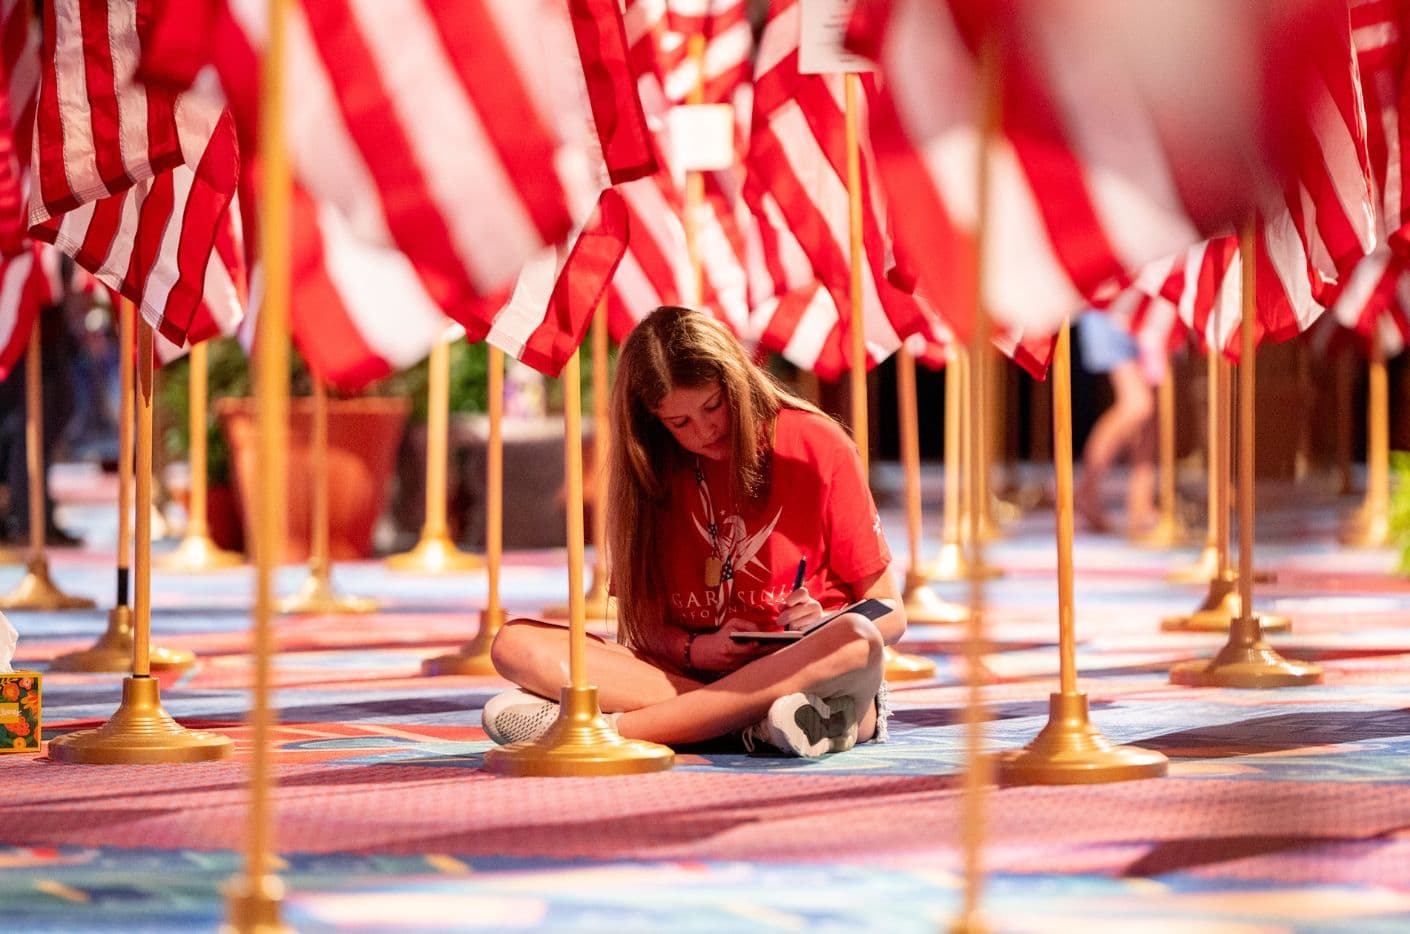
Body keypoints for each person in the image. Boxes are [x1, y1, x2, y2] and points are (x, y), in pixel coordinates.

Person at [483, 306, 906, 757]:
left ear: (736, 382)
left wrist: (822, 622)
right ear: (652, 422)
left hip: (804, 662)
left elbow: (890, 615)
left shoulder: (818, 443)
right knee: (514, 643)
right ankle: (761, 723)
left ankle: (610, 729)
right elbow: (642, 627)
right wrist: (699, 650)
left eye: (713, 406)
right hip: (693, 674)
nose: (704, 431)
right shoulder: (651, 469)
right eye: (679, 423)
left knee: (856, 638)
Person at [1073, 310, 1157, 535]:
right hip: (1111, 306)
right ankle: (1087, 488)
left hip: (1146, 301)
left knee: (1150, 413)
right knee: (1138, 403)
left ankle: (1141, 502)